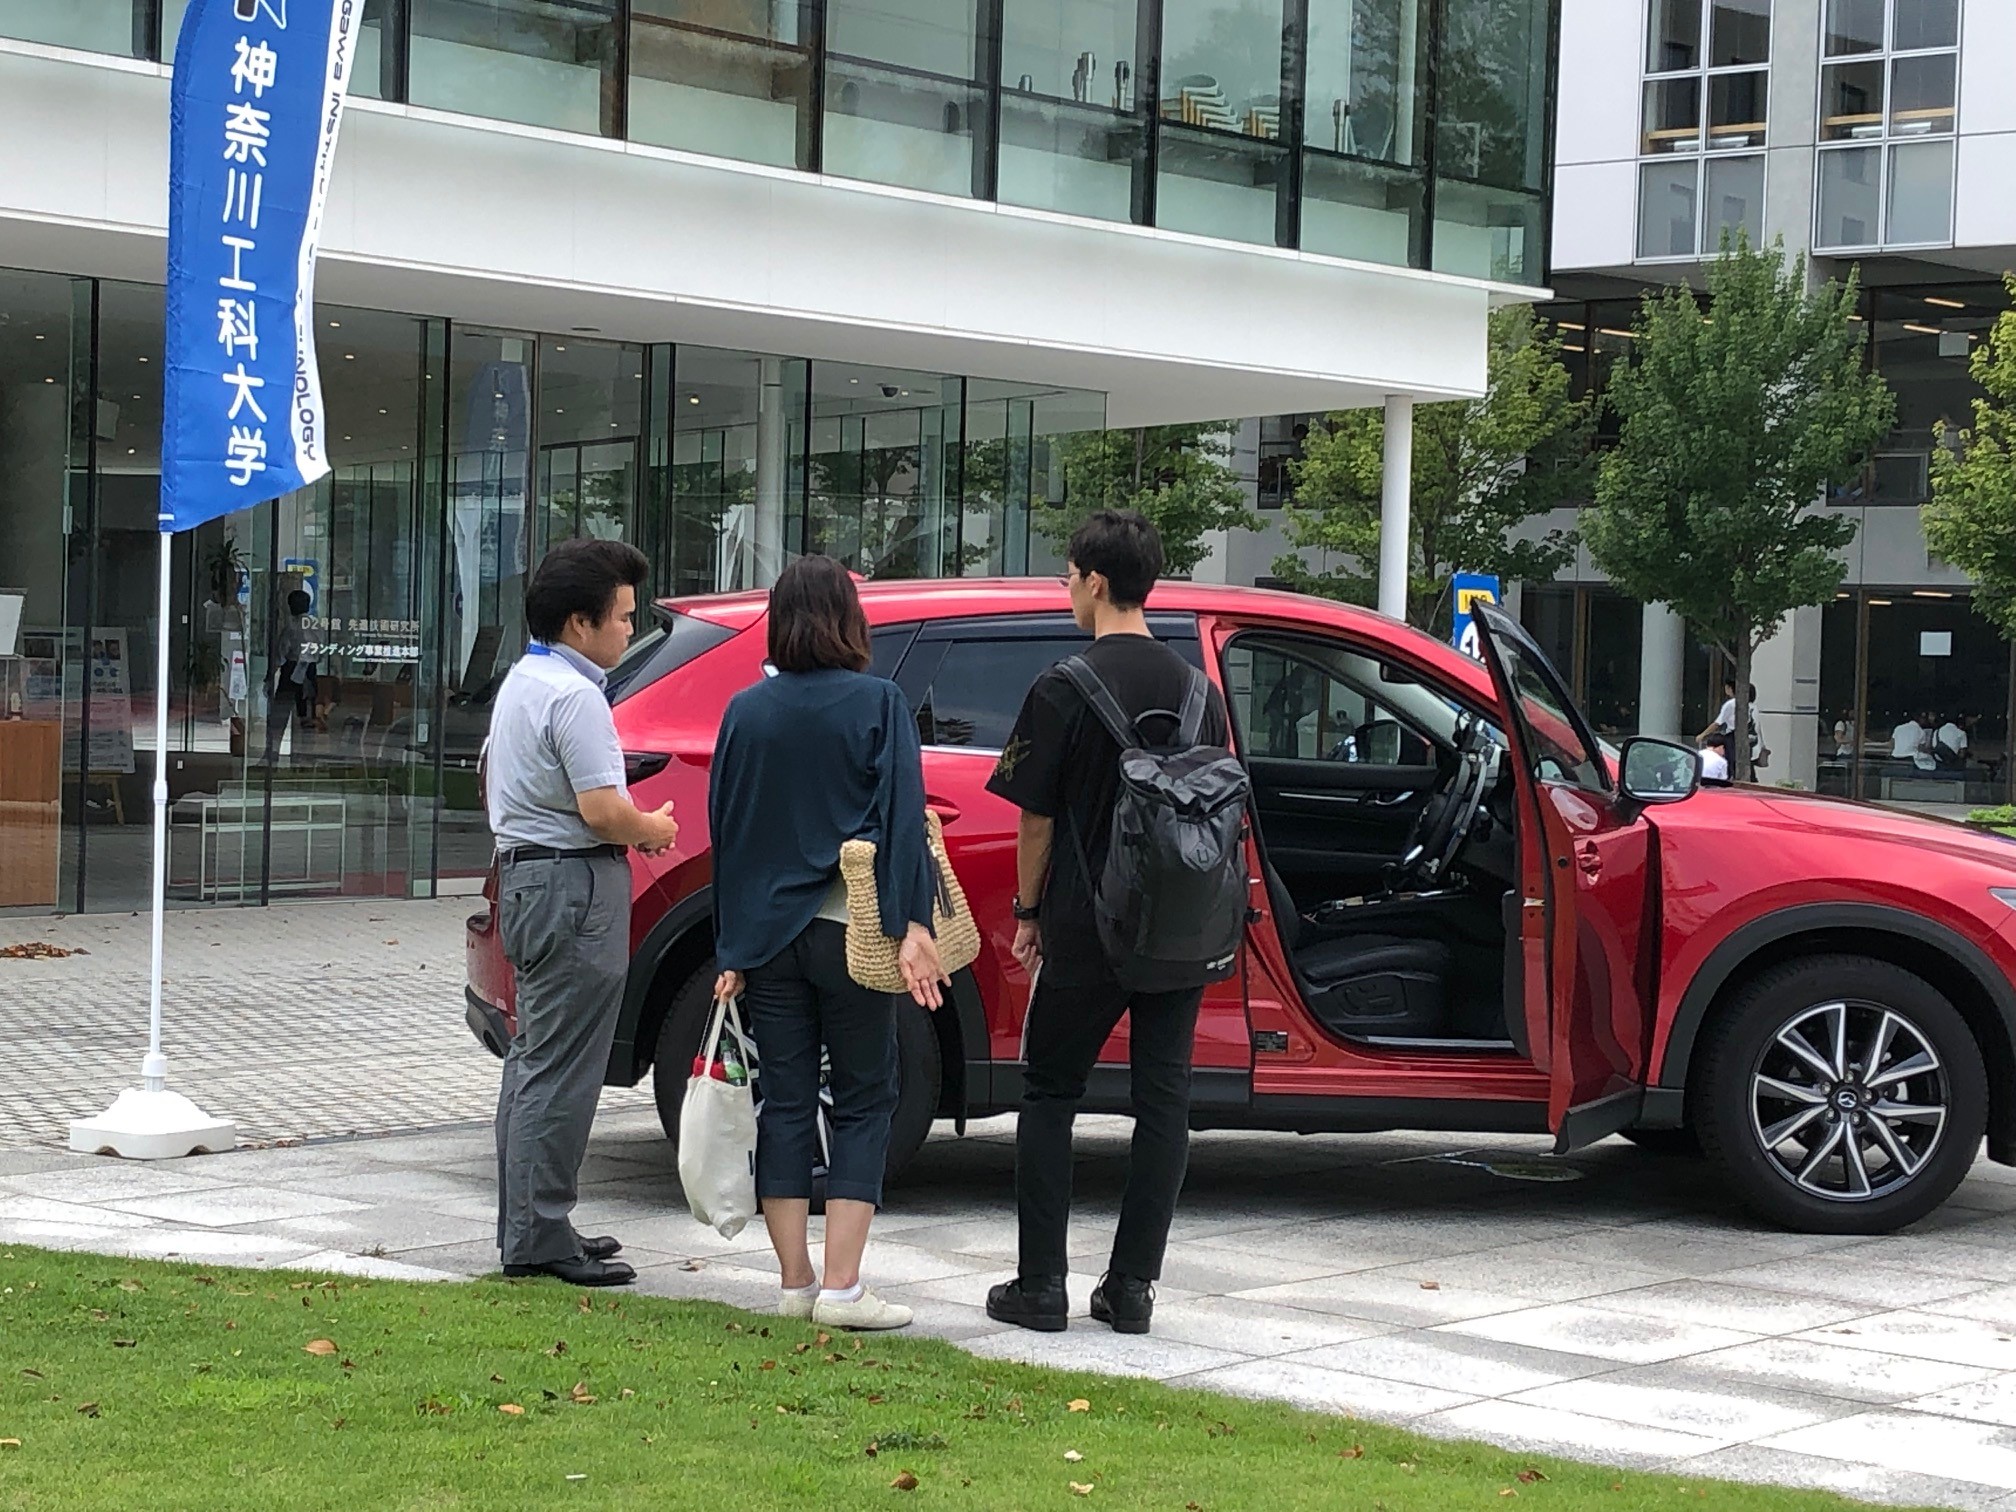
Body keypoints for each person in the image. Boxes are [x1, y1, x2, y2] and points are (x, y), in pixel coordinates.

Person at [982, 509, 1231, 1337]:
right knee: (1165, 1101)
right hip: (1180, 927)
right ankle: (1131, 1291)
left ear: (1094, 581)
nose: (1067, 589)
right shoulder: (1199, 691)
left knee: (1050, 1091)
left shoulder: (1062, 685)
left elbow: (1035, 819)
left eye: (1068, 576)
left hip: (1086, 924)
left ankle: (1040, 1286)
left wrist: (1027, 913)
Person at [709, 554, 948, 1332]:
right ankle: (845, 1287)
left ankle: (795, 1282)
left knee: (784, 1099)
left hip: (767, 938)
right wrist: (913, 926)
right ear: (850, 619)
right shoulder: (879, 702)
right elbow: (903, 820)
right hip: (854, 931)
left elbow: (728, 832)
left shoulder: (745, 711)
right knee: (864, 1096)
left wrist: (730, 950)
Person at [489, 538, 680, 1287]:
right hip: (572, 884)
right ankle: (539, 1234)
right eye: (623, 617)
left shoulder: (525, 679)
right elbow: (602, 810)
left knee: (535, 1060)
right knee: (563, 1068)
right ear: (580, 622)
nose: (631, 630)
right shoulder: (576, 696)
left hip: (532, 881)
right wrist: (652, 827)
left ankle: (534, 1224)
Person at [262, 589, 315, 762]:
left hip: (291, 670)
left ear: (291, 606)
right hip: (310, 672)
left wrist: (269, 677)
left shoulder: (291, 628)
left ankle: (272, 754)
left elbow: (280, 655)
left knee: (280, 715)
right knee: (306, 716)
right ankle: (303, 757)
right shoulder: (317, 627)